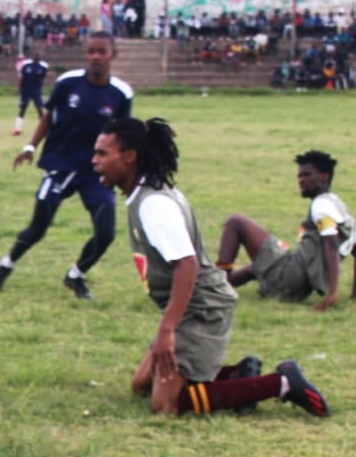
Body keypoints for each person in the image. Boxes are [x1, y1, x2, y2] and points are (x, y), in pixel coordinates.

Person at [91, 117, 329, 417]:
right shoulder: (146, 195)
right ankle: (240, 376)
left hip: (202, 308)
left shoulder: (154, 205)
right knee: (141, 384)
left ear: (130, 156)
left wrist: (167, 328)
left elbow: (186, 265)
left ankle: (281, 383)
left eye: (102, 154)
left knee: (165, 405)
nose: (94, 161)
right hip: (190, 306)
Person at [0, 32, 132, 299]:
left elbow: (123, 136)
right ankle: (4, 266)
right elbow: (49, 117)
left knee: (106, 233)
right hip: (61, 165)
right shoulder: (68, 83)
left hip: (95, 172)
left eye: (102, 51)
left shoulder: (121, 93)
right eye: (92, 51)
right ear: (85, 54)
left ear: (113, 55)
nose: (96, 57)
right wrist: (30, 146)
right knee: (37, 229)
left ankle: (75, 276)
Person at [215, 151, 353, 311]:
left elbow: (331, 245)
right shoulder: (339, 206)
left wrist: (333, 293)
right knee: (256, 266)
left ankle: (216, 284)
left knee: (236, 222)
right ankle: (219, 283)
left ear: (324, 177)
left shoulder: (321, 206)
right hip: (300, 289)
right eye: (299, 176)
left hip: (290, 277)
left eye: (307, 175)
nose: (301, 181)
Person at [12, 52, 49, 136]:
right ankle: (17, 129)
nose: (37, 57)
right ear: (33, 57)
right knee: (23, 108)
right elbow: (22, 78)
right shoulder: (27, 65)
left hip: (36, 90)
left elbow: (42, 78)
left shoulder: (43, 67)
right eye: (36, 55)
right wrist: (19, 89)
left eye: (38, 55)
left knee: (39, 109)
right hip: (26, 90)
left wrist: (40, 89)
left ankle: (44, 130)